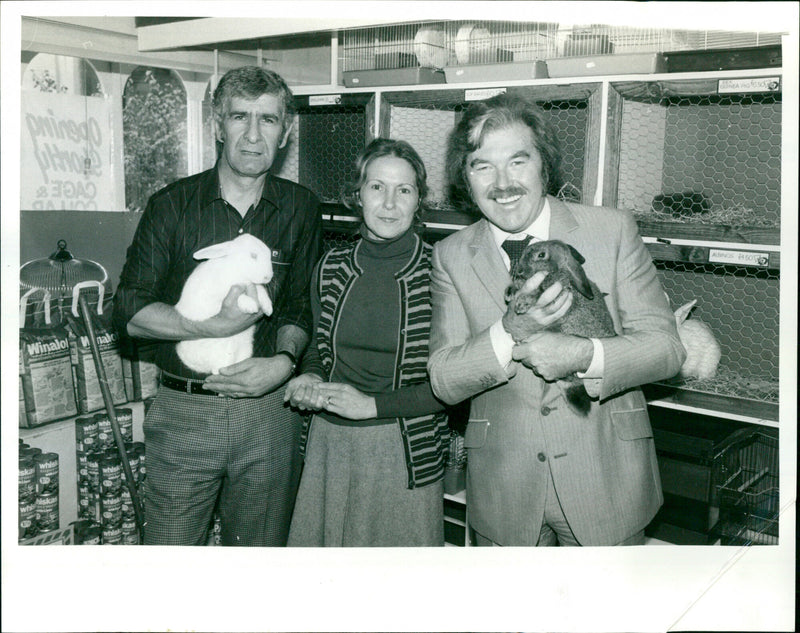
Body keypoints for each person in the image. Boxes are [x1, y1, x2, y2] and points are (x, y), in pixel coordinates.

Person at [427, 93, 686, 547]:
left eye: (518, 161)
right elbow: (444, 379)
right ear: (464, 179)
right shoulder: (450, 256)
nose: (502, 183)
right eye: (481, 166)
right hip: (504, 486)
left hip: (606, 478)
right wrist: (512, 331)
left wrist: (585, 354)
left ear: (544, 165)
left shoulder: (612, 230)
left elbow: (667, 349)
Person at [113, 66, 323, 546]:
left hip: (268, 414)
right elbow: (127, 310)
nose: (253, 135)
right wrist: (214, 326)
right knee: (171, 566)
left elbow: (298, 309)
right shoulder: (172, 205)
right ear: (216, 124)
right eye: (239, 117)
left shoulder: (301, 208)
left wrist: (285, 363)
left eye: (268, 120)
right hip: (186, 410)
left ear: (286, 131)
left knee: (257, 568)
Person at [284, 138, 449, 547]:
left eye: (404, 190)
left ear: (418, 201)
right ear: (357, 195)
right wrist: (309, 379)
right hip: (328, 447)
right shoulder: (332, 265)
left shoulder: (442, 273)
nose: (389, 203)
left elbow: (454, 385)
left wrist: (371, 406)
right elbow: (318, 353)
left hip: (403, 452)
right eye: (377, 187)